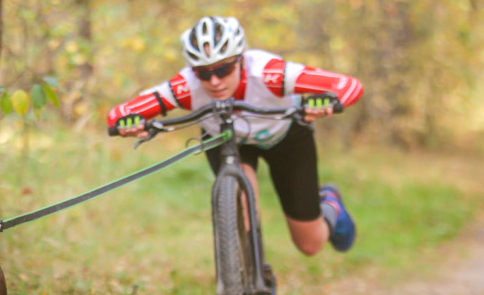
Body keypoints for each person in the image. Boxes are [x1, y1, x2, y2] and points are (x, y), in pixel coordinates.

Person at [107, 15, 361, 257]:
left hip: (285, 137)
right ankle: (248, 284)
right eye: (204, 73)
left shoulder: (270, 73)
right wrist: (130, 124)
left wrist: (326, 102)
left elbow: (348, 85)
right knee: (241, 205)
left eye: (224, 69)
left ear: (240, 59)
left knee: (310, 244)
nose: (214, 81)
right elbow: (120, 114)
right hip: (225, 139)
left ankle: (331, 204)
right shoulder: (186, 86)